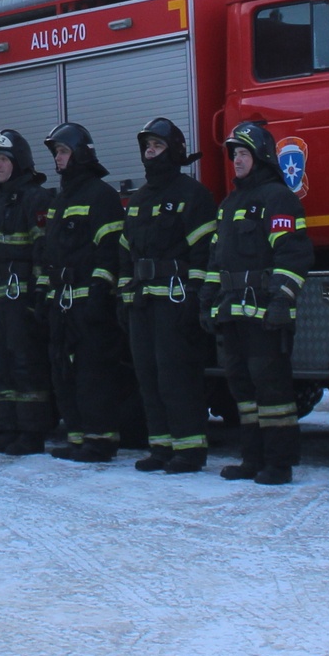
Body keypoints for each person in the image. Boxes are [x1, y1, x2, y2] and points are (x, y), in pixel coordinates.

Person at [206, 120, 307, 487]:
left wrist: (282, 299)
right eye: (234, 154)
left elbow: (293, 254)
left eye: (244, 153)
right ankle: (252, 458)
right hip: (233, 313)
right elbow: (216, 262)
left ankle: (279, 465)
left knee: (272, 392)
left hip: (266, 314)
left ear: (261, 155)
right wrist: (208, 301)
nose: (236, 160)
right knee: (243, 392)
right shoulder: (230, 204)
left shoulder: (278, 198)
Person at [121, 117, 218, 473]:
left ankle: (189, 450)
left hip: (175, 303)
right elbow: (123, 250)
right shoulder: (138, 199)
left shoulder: (192, 195)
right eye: (147, 147)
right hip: (142, 302)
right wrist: (123, 293)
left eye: (157, 146)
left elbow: (203, 252)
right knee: (147, 376)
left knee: (177, 377)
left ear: (175, 150)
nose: (150, 153)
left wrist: (195, 296)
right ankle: (160, 447)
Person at [37, 121, 131, 463]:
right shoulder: (61, 199)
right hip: (62, 303)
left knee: (94, 376)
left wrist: (99, 291)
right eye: (56, 153)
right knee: (65, 374)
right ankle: (77, 438)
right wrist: (46, 295)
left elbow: (110, 250)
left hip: (89, 304)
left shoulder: (100, 195)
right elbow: (50, 252)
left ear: (79, 154)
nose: (58, 159)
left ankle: (100, 441)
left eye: (62, 152)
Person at [0, 128, 55, 456]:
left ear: (19, 161)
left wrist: (38, 296)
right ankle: (8, 429)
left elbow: (43, 249)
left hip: (20, 298)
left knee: (25, 364)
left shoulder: (36, 197)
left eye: (4, 159)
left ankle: (31, 433)